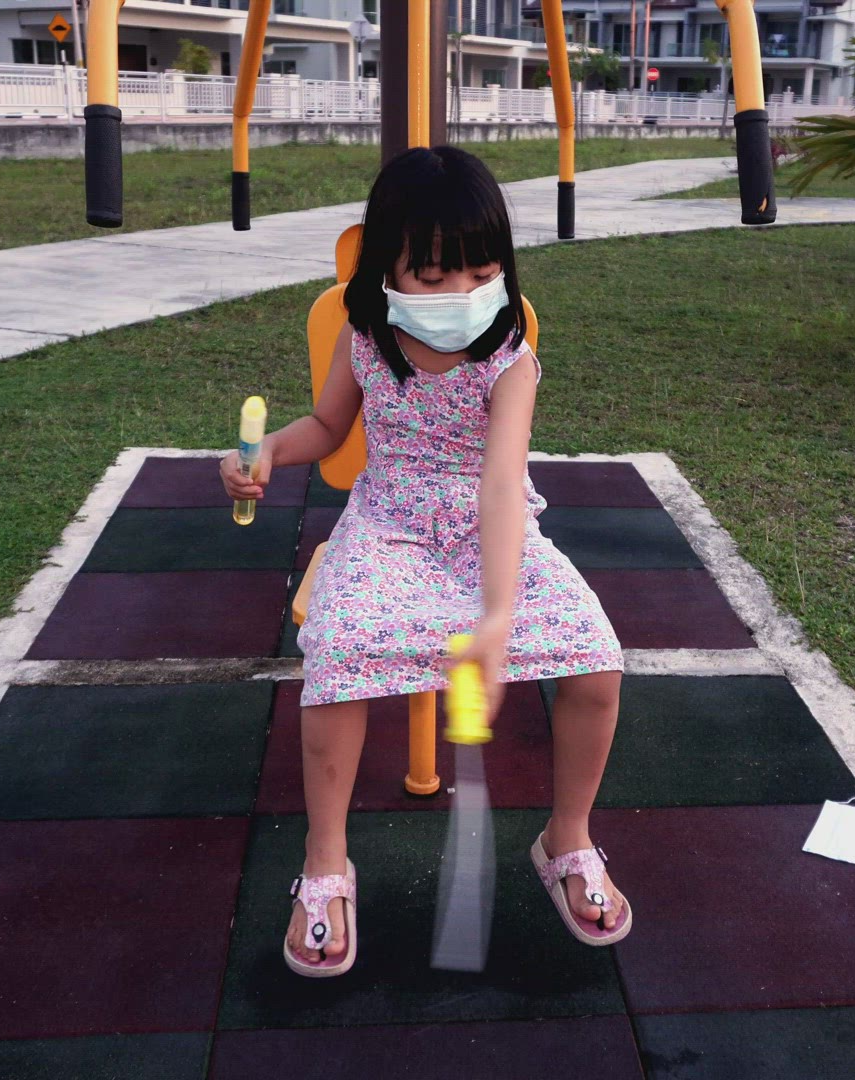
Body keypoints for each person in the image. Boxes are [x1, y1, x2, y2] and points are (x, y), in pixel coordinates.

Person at [220, 146, 632, 978]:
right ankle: (327, 857)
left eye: (480, 271)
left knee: (597, 661)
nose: (459, 294)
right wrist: (265, 454)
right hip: (389, 522)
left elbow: (499, 483)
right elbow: (329, 430)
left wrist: (497, 615)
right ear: (385, 272)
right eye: (434, 275)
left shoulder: (511, 352)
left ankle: (568, 836)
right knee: (337, 654)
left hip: (493, 525)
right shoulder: (366, 336)